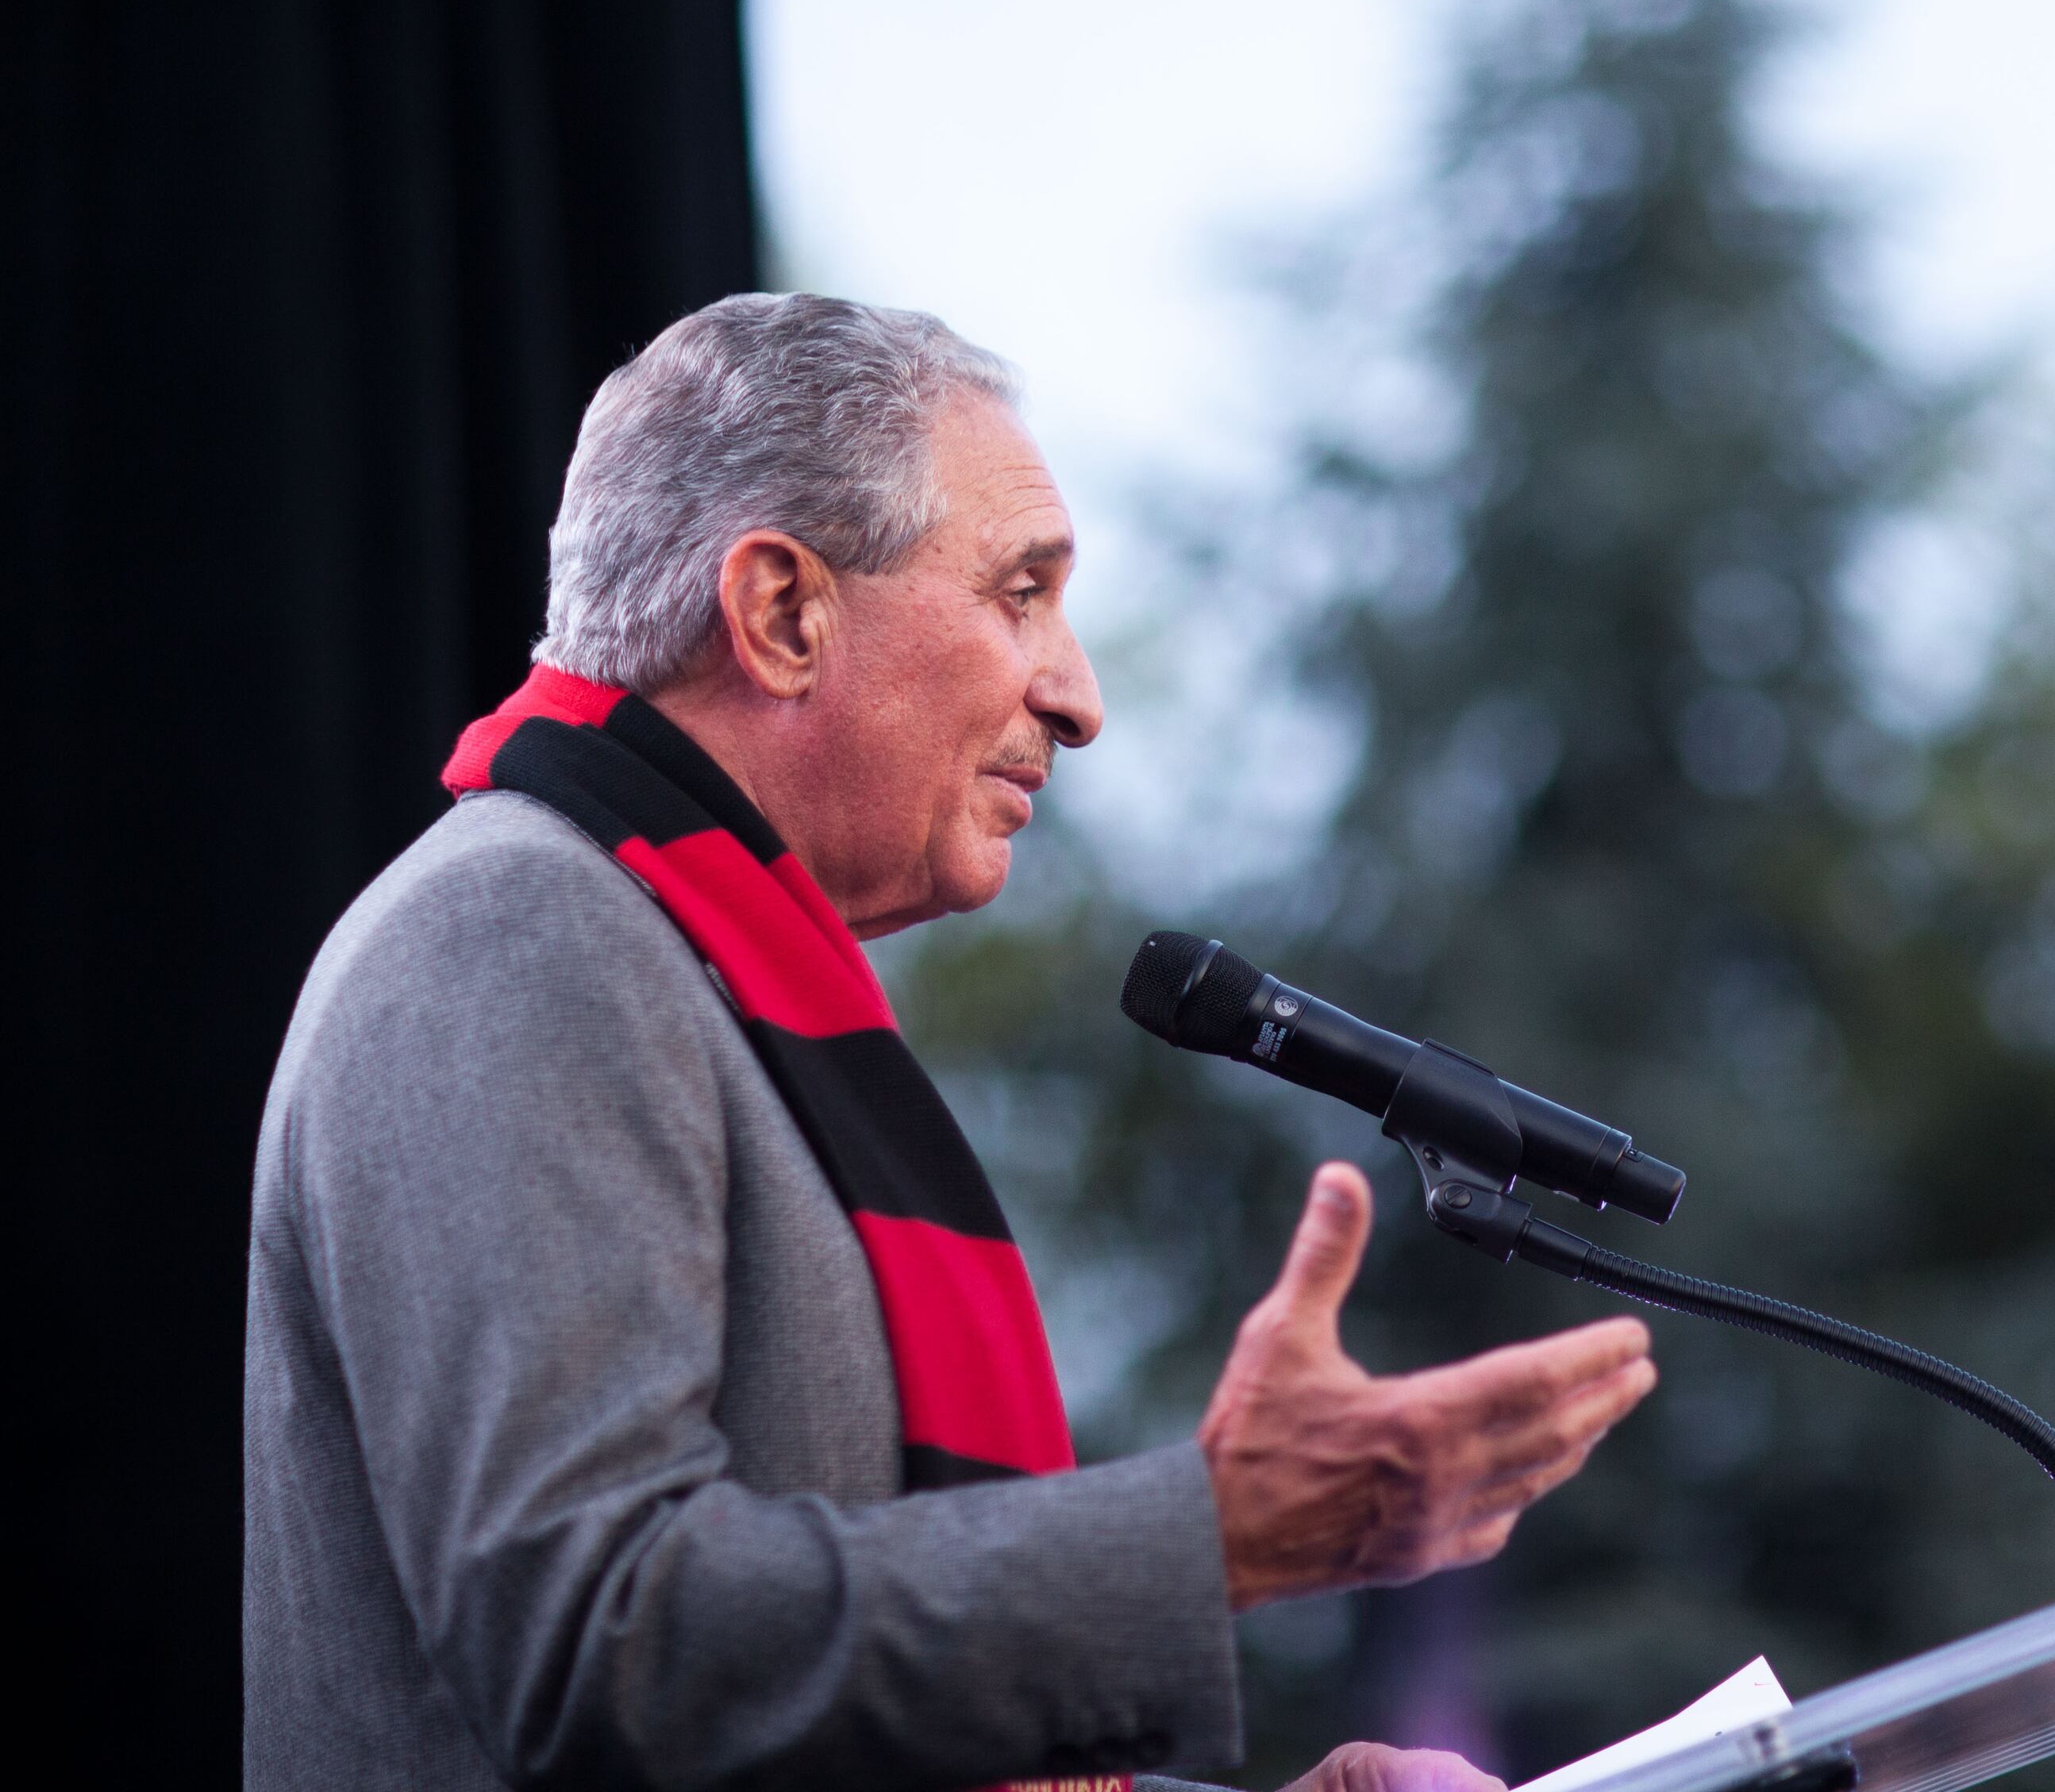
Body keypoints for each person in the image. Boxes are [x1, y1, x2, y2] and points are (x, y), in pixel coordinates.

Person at [244, 294, 1660, 1791]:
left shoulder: (702, 976)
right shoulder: (518, 934)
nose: (1079, 695)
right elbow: (601, 1643)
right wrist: (1206, 1540)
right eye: (1021, 591)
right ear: (786, 612)